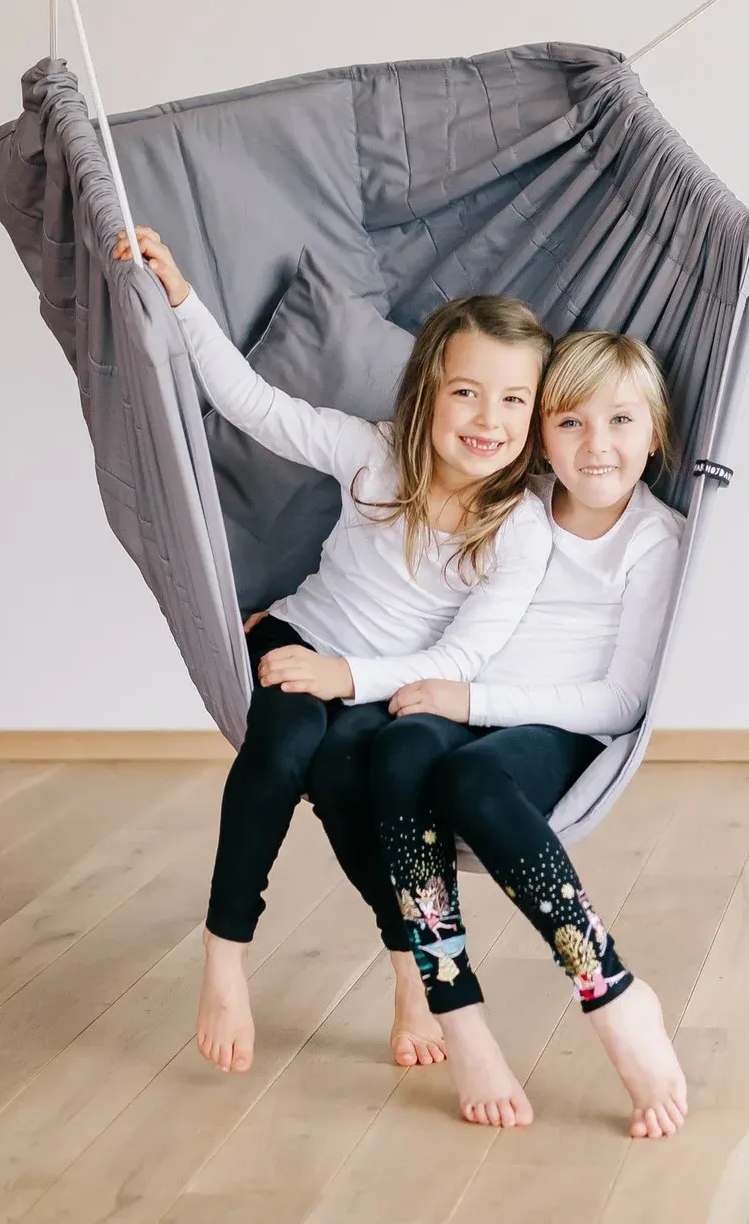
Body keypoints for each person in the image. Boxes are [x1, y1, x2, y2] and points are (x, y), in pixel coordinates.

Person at [113, 226, 554, 1078]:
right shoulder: (374, 453)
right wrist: (182, 299)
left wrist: (343, 679)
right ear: (427, 393)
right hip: (300, 638)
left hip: (385, 689)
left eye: (513, 401)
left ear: (535, 417)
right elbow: (254, 405)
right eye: (467, 392)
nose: (488, 420)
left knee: (353, 781)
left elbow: (461, 661)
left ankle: (409, 969)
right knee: (282, 748)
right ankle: (224, 953)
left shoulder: (520, 529)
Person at [308, 329, 689, 1138]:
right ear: (540, 435)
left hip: (558, 726)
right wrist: (302, 623)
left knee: (469, 779)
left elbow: (622, 701)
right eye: (571, 422)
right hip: (469, 703)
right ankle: (456, 1007)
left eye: (622, 421)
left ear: (656, 434)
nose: (596, 445)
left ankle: (608, 988)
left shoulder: (655, 539)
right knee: (395, 747)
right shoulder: (517, 505)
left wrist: (473, 700)